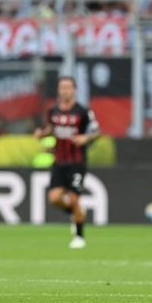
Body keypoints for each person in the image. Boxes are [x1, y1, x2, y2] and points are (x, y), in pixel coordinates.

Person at [34, 77, 100, 249]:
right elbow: (51, 129)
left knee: (73, 197)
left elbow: (96, 131)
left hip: (76, 162)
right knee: (54, 198)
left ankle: (79, 236)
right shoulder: (53, 111)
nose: (65, 91)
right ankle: (76, 213)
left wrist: (86, 137)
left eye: (68, 87)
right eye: (62, 87)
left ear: (74, 90)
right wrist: (42, 134)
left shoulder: (83, 112)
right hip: (59, 162)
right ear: (58, 90)